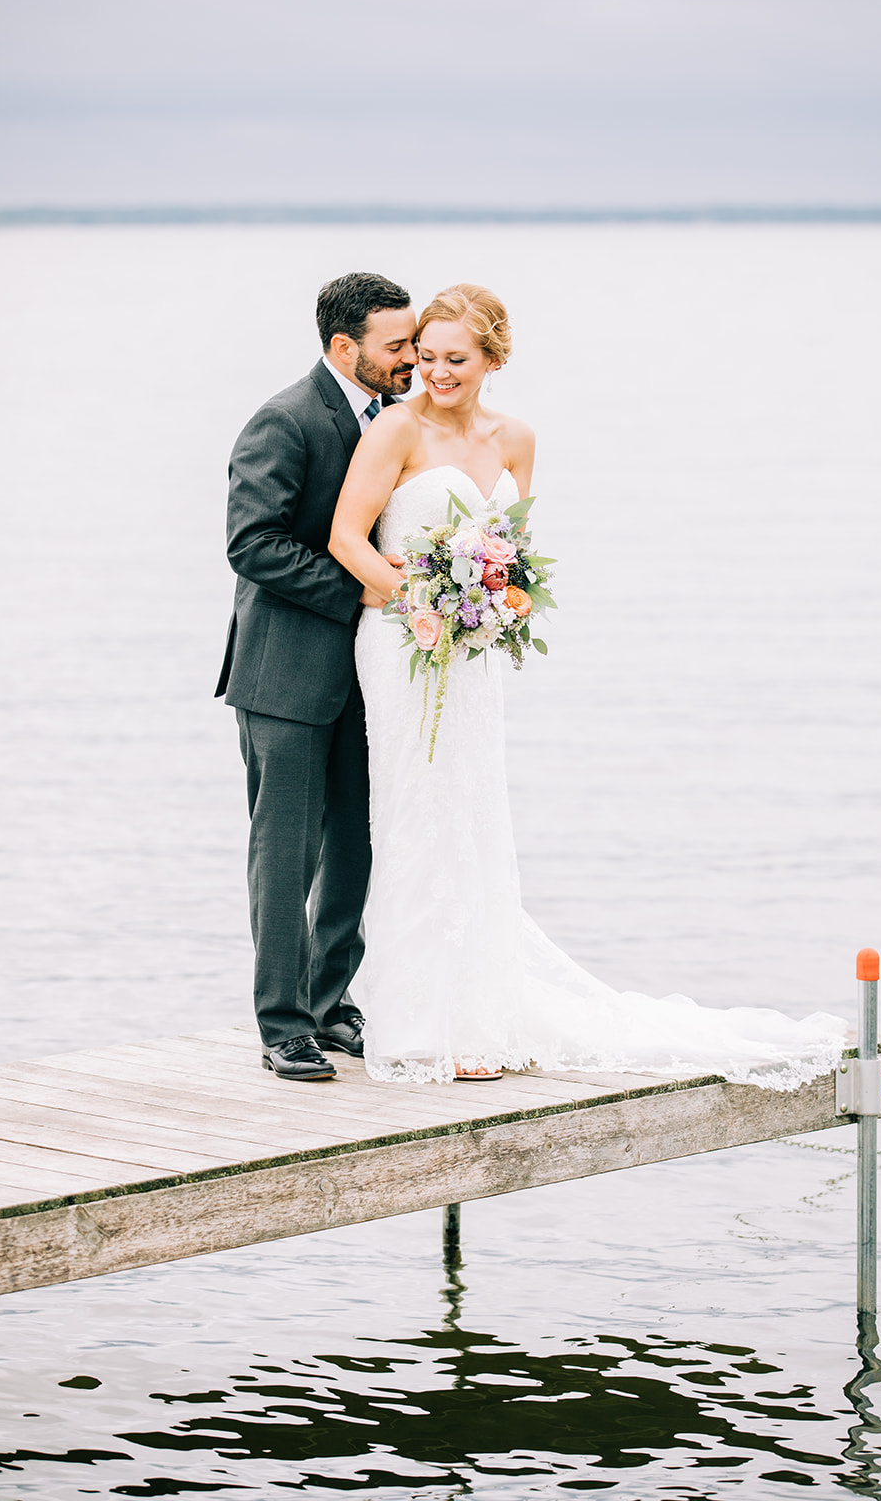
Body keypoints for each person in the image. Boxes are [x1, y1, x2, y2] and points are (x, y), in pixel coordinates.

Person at [330, 284, 847, 1086]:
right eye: (424, 357)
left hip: (469, 655)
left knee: (472, 812)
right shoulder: (395, 429)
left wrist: (491, 606)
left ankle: (481, 1011)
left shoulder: (517, 439)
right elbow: (346, 538)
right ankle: (421, 1023)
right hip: (404, 646)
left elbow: (511, 549)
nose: (433, 372)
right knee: (413, 815)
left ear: (492, 359)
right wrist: (423, 604)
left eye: (453, 359)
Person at [217, 272, 417, 1081]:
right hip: (287, 678)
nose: (411, 358)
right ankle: (282, 1024)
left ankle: (331, 1004)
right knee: (286, 855)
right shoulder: (286, 420)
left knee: (356, 849)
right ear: (346, 347)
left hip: (375, 680)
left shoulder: (403, 423)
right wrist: (361, 591)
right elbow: (253, 543)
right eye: (396, 345)